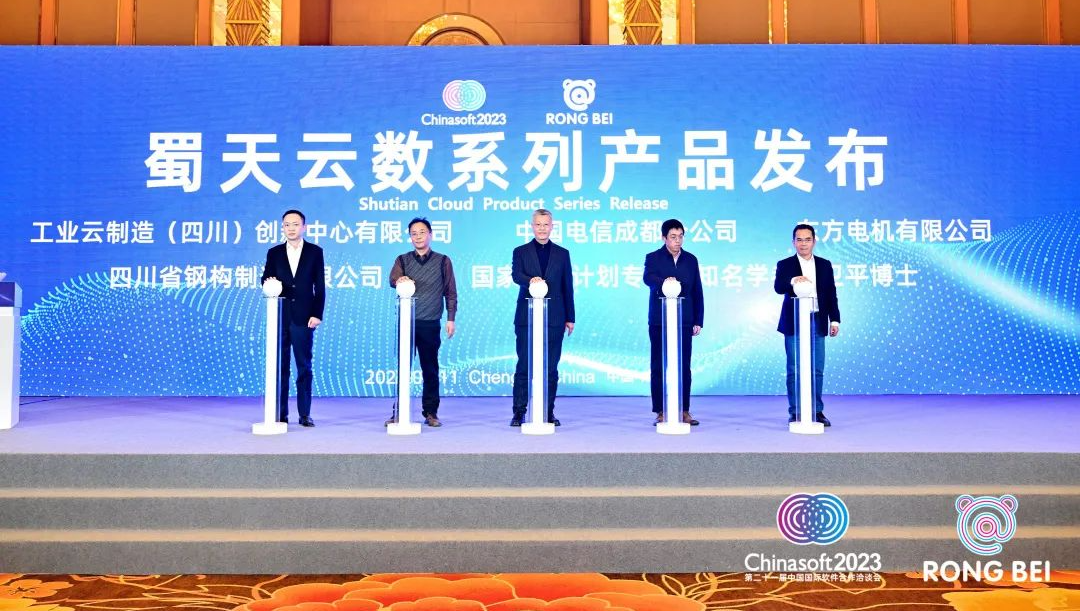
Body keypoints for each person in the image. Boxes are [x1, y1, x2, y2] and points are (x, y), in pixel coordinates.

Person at [388, 217, 458, 427]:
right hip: (406, 323)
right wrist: (399, 279)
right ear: (410, 237)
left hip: (430, 323)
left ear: (430, 235)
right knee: (403, 368)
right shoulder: (402, 260)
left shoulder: (443, 261)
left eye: (422, 232)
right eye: (413, 233)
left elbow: (450, 292)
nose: (418, 237)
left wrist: (451, 318)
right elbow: (393, 279)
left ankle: (431, 412)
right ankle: (399, 412)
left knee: (430, 369)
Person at [510, 209, 575, 427]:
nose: (542, 228)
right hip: (526, 318)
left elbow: (568, 286)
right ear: (532, 226)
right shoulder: (520, 251)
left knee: (551, 368)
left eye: (546, 224)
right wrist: (531, 280)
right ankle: (519, 412)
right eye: (538, 224)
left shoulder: (562, 253)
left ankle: (548, 412)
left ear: (552, 226)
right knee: (524, 365)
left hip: (555, 317)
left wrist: (570, 317)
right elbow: (516, 275)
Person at [261, 209, 325, 427]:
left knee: (304, 366)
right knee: (280, 366)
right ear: (282, 227)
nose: (291, 228)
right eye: (287, 224)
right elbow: (265, 279)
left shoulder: (315, 252)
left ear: (303, 227)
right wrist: (271, 285)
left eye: (295, 224)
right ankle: (280, 413)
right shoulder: (274, 253)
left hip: (304, 317)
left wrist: (317, 313)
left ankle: (305, 413)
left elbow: (320, 286)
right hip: (281, 316)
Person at [774, 223, 840, 426]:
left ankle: (816, 411)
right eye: (799, 240)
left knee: (817, 368)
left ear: (814, 241)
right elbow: (778, 287)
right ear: (793, 242)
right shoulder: (785, 264)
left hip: (817, 320)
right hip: (794, 321)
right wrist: (793, 280)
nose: (803, 244)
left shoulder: (824, 264)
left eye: (807, 239)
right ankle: (796, 411)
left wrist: (835, 319)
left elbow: (831, 294)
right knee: (794, 368)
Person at [643, 219, 704, 426]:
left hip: (684, 320)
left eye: (680, 236)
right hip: (659, 320)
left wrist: (698, 319)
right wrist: (665, 283)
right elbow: (648, 278)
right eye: (673, 237)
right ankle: (661, 410)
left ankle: (684, 410)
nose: (677, 241)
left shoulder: (691, 259)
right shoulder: (653, 257)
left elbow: (697, 290)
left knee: (684, 366)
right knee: (658, 366)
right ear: (664, 238)